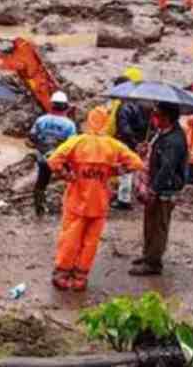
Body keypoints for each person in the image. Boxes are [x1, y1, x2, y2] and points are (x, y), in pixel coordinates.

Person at [47, 107, 145, 291]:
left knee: (70, 238)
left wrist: (66, 175)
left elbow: (53, 161)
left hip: (76, 201)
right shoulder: (113, 145)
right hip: (99, 203)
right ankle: (80, 278)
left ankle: (62, 274)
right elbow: (137, 163)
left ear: (89, 121)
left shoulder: (77, 142)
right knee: (90, 242)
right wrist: (114, 171)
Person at [131, 103, 188, 277]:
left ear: (167, 117)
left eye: (158, 115)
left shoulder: (174, 140)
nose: (154, 119)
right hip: (155, 184)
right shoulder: (163, 134)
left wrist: (154, 190)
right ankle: (148, 254)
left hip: (164, 188)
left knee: (158, 225)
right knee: (150, 222)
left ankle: (153, 263)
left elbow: (167, 168)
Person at [107, 67, 149, 210]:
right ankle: (135, 194)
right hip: (139, 140)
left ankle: (123, 200)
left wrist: (131, 142)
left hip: (127, 142)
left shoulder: (123, 107)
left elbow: (124, 128)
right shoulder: (141, 103)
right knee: (135, 169)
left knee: (125, 171)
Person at [30, 91, 77, 217]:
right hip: (61, 160)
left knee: (41, 182)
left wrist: (42, 147)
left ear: (52, 105)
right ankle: (69, 205)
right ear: (65, 106)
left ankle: (39, 208)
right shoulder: (69, 124)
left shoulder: (41, 120)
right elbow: (72, 144)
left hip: (43, 157)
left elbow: (32, 136)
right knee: (70, 181)